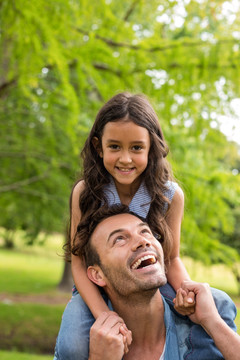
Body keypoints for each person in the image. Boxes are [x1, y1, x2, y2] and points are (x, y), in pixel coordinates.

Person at [53, 92, 236, 359]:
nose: (125, 159)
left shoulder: (169, 196)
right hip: (95, 286)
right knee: (74, 344)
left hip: (150, 277)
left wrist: (185, 289)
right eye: (114, 147)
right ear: (98, 146)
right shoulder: (86, 192)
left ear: (152, 147)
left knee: (217, 303)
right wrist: (105, 315)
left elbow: (171, 258)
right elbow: (79, 263)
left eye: (136, 148)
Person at [76, 205, 238, 359]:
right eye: (119, 239)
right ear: (98, 275)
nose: (143, 241)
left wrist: (213, 323)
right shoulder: (84, 342)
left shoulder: (210, 314)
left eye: (145, 232)